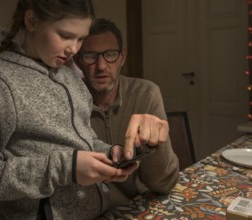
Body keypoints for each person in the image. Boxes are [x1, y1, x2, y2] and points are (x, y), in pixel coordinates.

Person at [0, 2, 139, 220]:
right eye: (65, 35)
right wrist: (64, 168)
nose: (73, 49)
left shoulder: (72, 80)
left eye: (80, 39)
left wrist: (109, 153)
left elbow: (82, 141)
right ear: (32, 21)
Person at [73, 18, 180, 205]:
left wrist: (156, 145)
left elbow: (164, 184)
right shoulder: (68, 100)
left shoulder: (146, 93)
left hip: (139, 205)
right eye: (90, 56)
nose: (102, 66)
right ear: (78, 61)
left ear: (122, 56)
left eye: (110, 54)